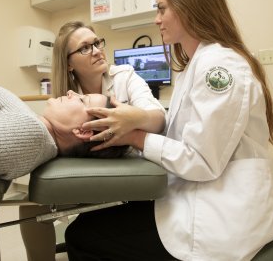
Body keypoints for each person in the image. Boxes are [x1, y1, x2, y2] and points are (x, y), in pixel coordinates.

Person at [66, 0, 273, 261]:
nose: (156, 19)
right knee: (96, 223)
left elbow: (202, 161)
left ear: (189, 7)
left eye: (161, 9)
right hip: (195, 194)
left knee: (80, 235)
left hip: (219, 214)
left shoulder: (219, 67)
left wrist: (136, 136)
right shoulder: (197, 64)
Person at [19, 21, 167, 261]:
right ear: (68, 63)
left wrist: (128, 119)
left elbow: (159, 120)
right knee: (31, 204)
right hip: (86, 162)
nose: (97, 50)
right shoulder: (66, 95)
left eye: (97, 43)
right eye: (85, 48)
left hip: (124, 165)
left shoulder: (124, 76)